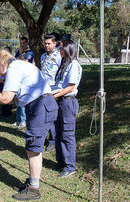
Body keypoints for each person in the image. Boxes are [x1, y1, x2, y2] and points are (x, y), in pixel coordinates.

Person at [0, 50, 58, 200]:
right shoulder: (19, 65)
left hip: (40, 106)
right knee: (32, 147)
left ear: (1, 63)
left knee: (33, 149)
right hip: (40, 105)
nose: (0, 76)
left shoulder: (13, 69)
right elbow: (12, 98)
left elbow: (5, 99)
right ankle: (32, 182)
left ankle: (34, 189)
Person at [51, 39, 82, 178]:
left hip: (67, 103)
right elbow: (59, 84)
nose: (59, 50)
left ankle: (70, 167)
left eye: (61, 48)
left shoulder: (74, 65)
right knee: (58, 133)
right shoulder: (65, 64)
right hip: (60, 101)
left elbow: (70, 86)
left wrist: (55, 95)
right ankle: (61, 162)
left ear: (68, 49)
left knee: (67, 135)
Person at [41, 34, 62, 152]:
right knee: (44, 115)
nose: (46, 45)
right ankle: (45, 137)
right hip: (43, 89)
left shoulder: (59, 55)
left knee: (51, 116)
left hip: (53, 89)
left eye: (49, 43)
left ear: (55, 43)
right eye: (45, 43)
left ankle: (53, 140)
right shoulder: (43, 56)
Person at [13, 36, 34, 130]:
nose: (22, 45)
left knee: (22, 99)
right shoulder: (18, 52)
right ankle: (18, 120)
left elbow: (26, 63)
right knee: (17, 99)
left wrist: (21, 53)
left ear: (27, 43)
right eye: (21, 43)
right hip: (18, 78)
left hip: (25, 79)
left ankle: (23, 121)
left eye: (24, 43)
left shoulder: (30, 53)